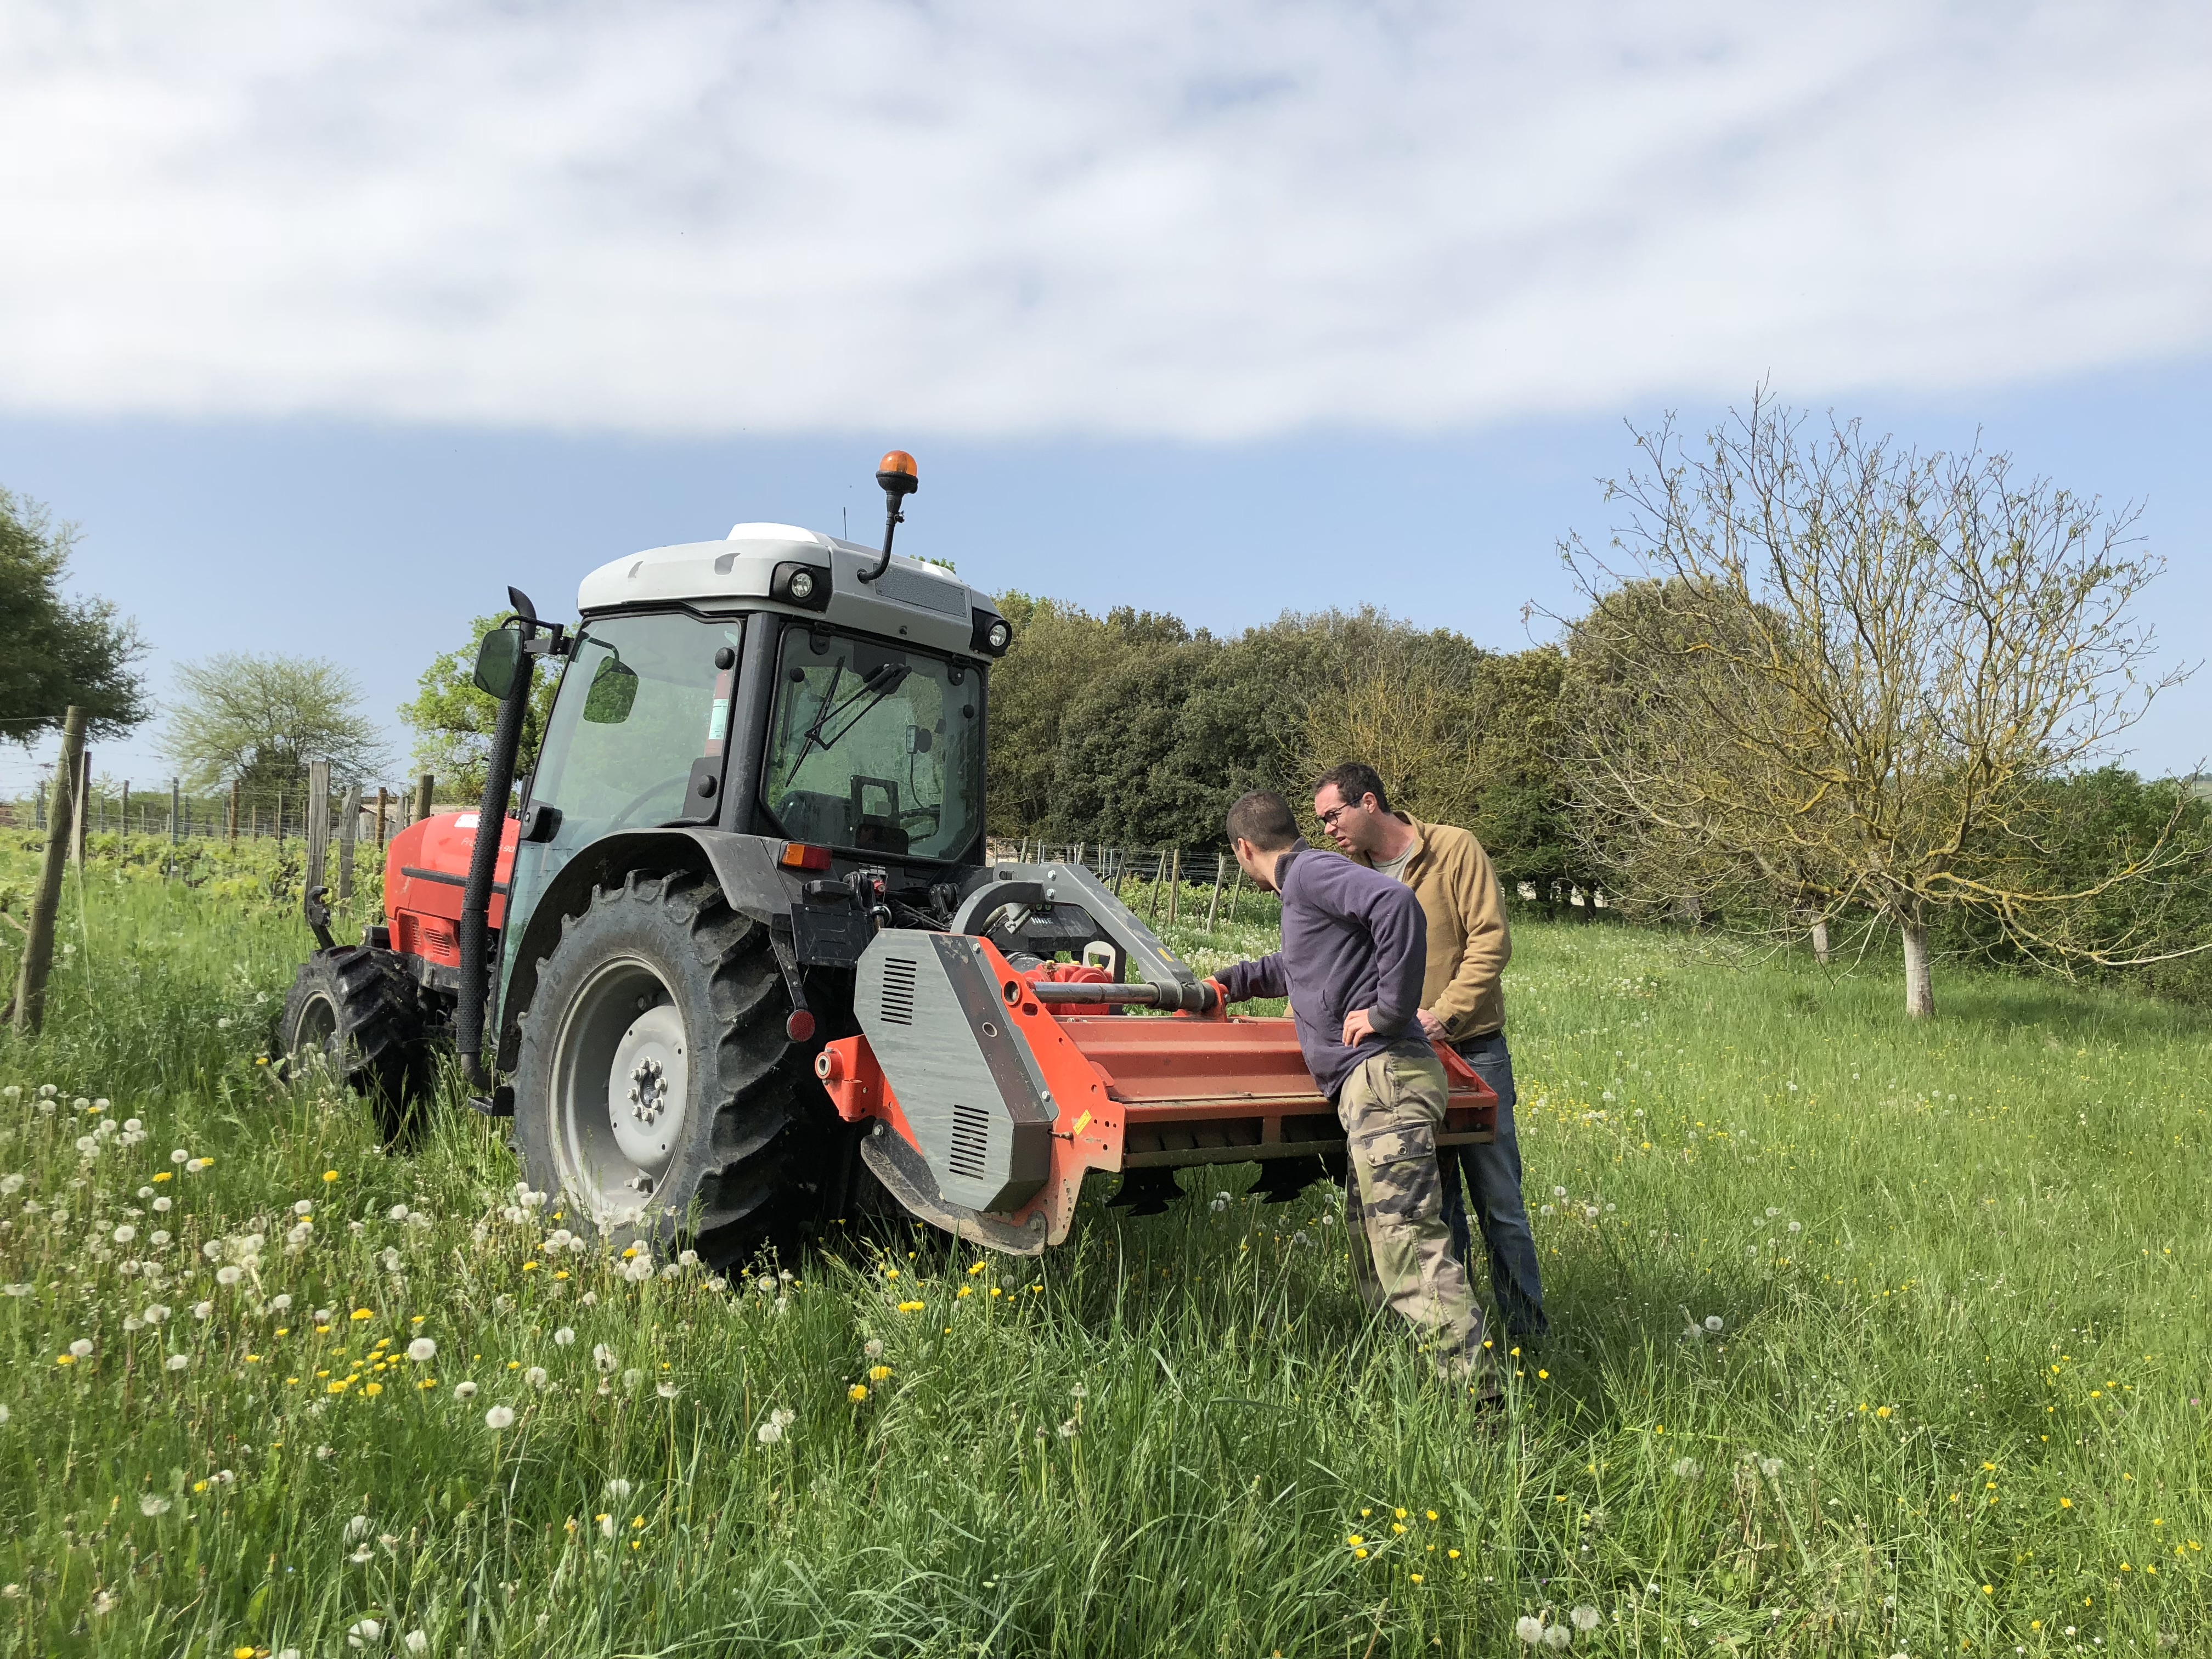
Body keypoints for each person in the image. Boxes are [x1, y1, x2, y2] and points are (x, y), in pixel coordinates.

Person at [1212, 790, 1496, 1391]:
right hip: (1377, 1087)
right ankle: (1412, 1381)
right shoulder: (1305, 892)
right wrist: (1221, 986)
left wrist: (1390, 1010)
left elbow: (1397, 903)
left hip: (1385, 1077)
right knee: (1376, 1248)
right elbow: (1291, 967)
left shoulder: (1311, 873)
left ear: (1243, 848)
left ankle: (1481, 1403)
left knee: (1409, 1248)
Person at [1311, 761, 1546, 1343]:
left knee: (1501, 1206)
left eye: (1333, 816)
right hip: (1405, 1066)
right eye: (1319, 823)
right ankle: (1471, 1340)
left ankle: (1529, 1336)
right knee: (1435, 1212)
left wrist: (1444, 1013)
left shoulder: (1454, 849)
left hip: (1473, 1049)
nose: (1327, 832)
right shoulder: (1352, 876)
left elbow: (1491, 940)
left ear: (1369, 803)